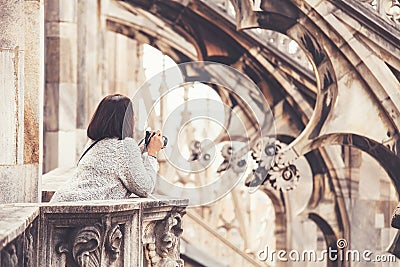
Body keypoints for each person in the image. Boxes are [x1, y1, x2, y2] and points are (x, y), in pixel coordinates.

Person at [51, 94, 164, 202]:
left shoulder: (93, 143)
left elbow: (117, 163)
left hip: (60, 203)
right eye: (132, 115)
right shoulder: (125, 146)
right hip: (80, 216)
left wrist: (140, 150)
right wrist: (152, 153)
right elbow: (145, 188)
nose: (134, 119)